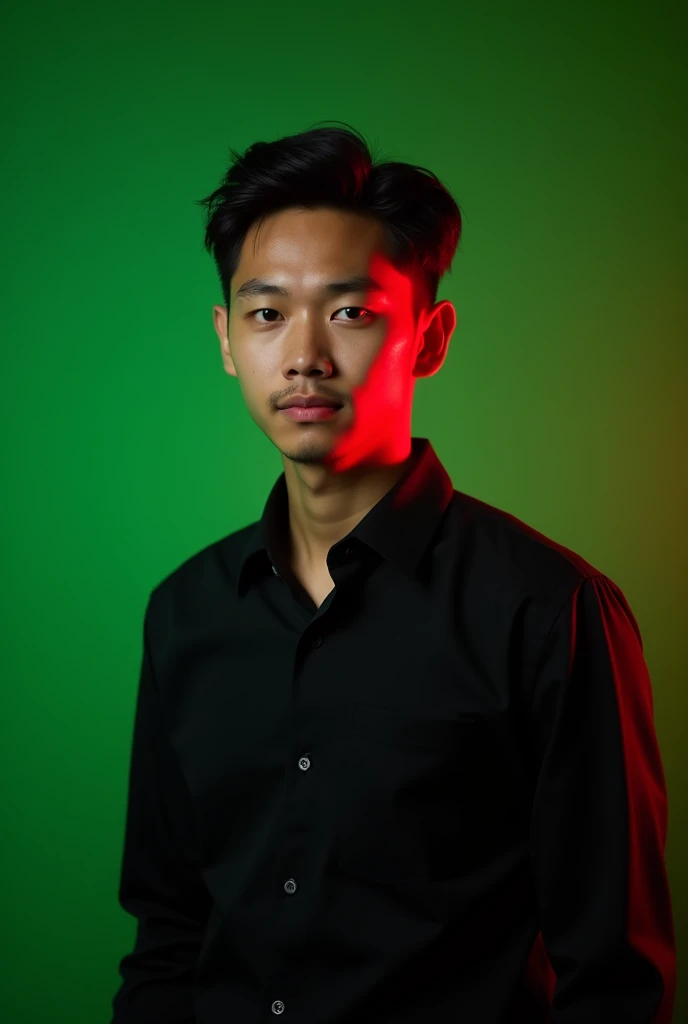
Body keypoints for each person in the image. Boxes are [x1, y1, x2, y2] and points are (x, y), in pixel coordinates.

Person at [110, 121, 675, 1023]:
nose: (304, 355)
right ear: (225, 339)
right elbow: (169, 935)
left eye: (350, 311)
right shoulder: (185, 612)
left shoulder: (549, 610)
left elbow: (612, 976)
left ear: (431, 336)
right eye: (266, 313)